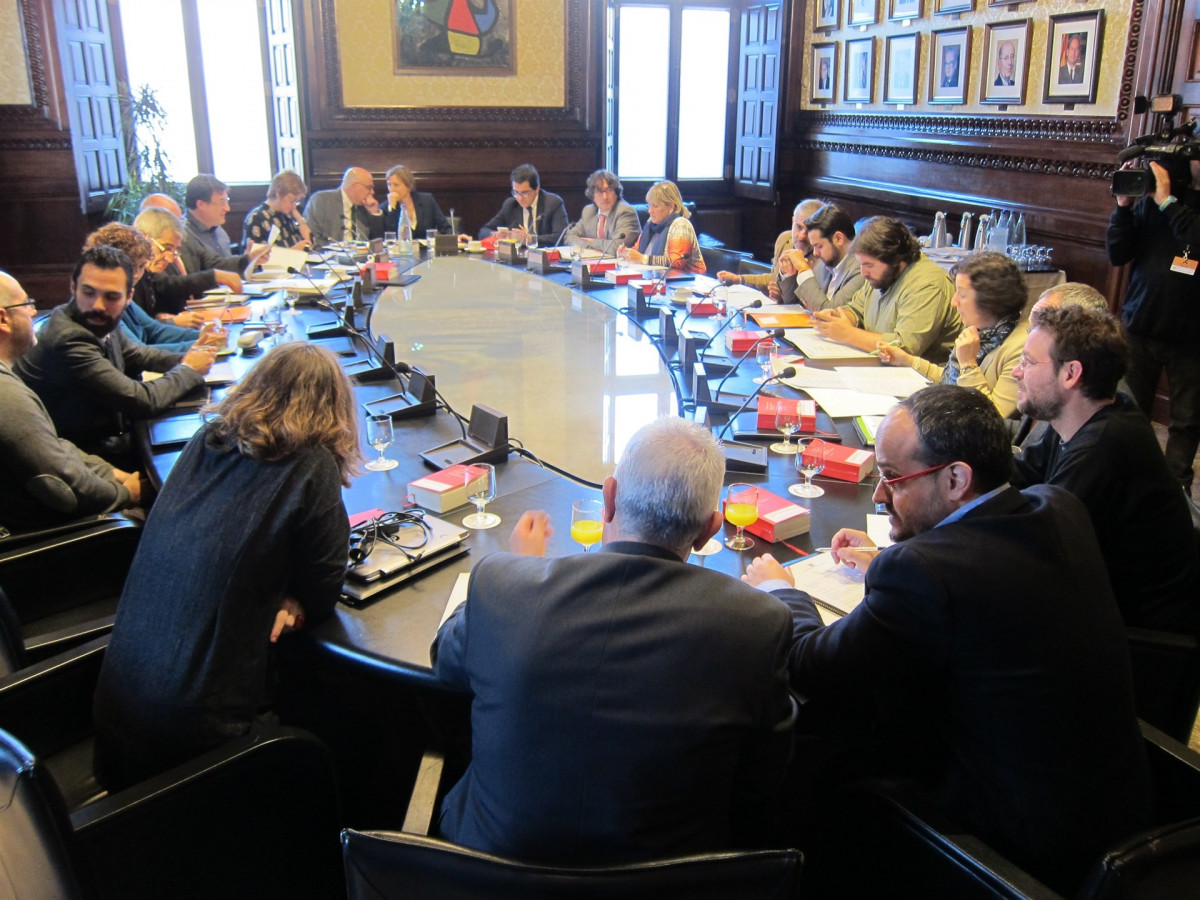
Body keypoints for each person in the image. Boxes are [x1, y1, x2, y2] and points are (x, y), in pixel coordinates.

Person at [743, 385, 1151, 895]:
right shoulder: (1058, 506)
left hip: (1013, 851)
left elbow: (811, 667)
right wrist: (895, 554)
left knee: (807, 757)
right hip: (1119, 817)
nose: (879, 495)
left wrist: (783, 592)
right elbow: (986, 575)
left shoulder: (925, 573)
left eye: (893, 478)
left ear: (956, 478)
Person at [432, 417, 795, 863]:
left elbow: (445, 659)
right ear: (710, 529)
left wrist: (520, 569)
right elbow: (765, 777)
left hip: (487, 879)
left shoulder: (503, 586)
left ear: (608, 498)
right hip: (671, 885)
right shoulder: (758, 625)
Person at [92, 342, 360, 790]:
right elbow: (323, 586)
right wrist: (291, 595)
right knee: (340, 714)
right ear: (335, 411)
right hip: (197, 752)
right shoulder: (312, 464)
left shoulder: (207, 439)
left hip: (120, 728)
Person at [1012, 304, 1198, 633]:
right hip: (1102, 603)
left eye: (1027, 362)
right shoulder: (1087, 414)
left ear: (1071, 373)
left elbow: (1039, 547)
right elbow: (1022, 472)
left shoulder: (1104, 447)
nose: (1016, 371)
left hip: (1139, 634)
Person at [13, 246, 215, 463]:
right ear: (73, 287)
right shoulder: (68, 339)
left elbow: (138, 355)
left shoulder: (98, 320)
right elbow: (141, 400)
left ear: (128, 297)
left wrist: (187, 358)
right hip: (86, 457)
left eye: (111, 296)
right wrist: (189, 369)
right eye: (88, 293)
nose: (98, 305)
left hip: (111, 438)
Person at [0, 269, 141, 533]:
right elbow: (62, 485)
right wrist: (127, 494)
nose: (33, 312)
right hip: (48, 542)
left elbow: (57, 447)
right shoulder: (5, 395)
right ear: (3, 319)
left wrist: (112, 474)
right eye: (26, 304)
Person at [1107, 157, 1200, 488]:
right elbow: (1118, 254)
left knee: (1187, 422)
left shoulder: (1167, 200)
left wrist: (1169, 203)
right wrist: (1123, 208)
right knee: (1130, 413)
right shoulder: (1154, 198)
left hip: (1193, 336)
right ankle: (1130, 485)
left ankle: (1177, 494)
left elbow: (1195, 243)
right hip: (1141, 325)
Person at [877, 252, 1028, 418]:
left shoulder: (1020, 348)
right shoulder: (980, 330)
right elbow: (951, 381)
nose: (954, 302)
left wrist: (968, 364)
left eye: (962, 295)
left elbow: (995, 418)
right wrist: (909, 361)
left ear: (991, 300)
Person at [813, 215, 959, 362]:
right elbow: (856, 309)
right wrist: (838, 318)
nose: (863, 273)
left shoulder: (927, 284)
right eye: (861, 264)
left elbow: (905, 348)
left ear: (895, 260)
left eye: (869, 265)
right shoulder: (880, 275)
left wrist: (847, 334)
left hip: (919, 373)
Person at [82, 223, 211, 357]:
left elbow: (154, 330)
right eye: (130, 266)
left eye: (141, 266)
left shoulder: (123, 292)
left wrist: (204, 335)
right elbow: (137, 352)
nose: (136, 274)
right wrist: (201, 344)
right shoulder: (99, 304)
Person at [1009, 281, 1110, 448]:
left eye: (1040, 328)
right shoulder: (1053, 379)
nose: (1030, 339)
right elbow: (1027, 436)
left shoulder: (1090, 428)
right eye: (1031, 329)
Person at [134, 205, 242, 310]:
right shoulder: (131, 275)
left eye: (174, 251)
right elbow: (167, 286)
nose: (170, 259)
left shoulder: (148, 273)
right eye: (166, 248)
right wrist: (166, 320)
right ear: (143, 237)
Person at [716, 199, 824, 301]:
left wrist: (783, 295)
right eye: (799, 227)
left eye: (810, 230)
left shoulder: (823, 255)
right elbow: (774, 278)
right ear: (792, 222)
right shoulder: (785, 240)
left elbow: (817, 300)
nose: (802, 236)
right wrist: (739, 279)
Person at [619, 181, 706, 275]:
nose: (650, 211)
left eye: (655, 206)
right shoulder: (651, 223)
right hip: (656, 277)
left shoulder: (681, 224)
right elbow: (637, 250)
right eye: (649, 205)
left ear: (671, 207)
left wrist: (642, 258)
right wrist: (627, 253)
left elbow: (676, 262)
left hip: (687, 280)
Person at [791, 203, 864, 311]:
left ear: (838, 238)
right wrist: (788, 273)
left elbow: (828, 312)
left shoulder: (860, 270)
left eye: (819, 246)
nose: (815, 253)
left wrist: (804, 270)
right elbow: (796, 303)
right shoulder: (826, 261)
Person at [179, 174, 257, 275]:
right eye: (222, 202)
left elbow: (225, 266)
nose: (227, 208)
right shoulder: (183, 235)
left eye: (226, 201)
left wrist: (246, 259)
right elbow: (202, 275)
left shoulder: (219, 230)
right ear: (201, 204)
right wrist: (245, 260)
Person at [479, 163, 568, 247]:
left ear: (537, 189)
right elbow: (483, 231)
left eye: (525, 193)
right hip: (519, 255)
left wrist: (531, 239)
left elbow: (561, 236)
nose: (520, 198)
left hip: (545, 255)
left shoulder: (553, 203)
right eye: (516, 192)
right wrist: (494, 235)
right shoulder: (511, 205)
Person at [304, 167, 386, 247]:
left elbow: (377, 242)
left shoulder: (365, 206)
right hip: (331, 254)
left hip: (362, 254)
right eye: (369, 188)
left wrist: (374, 213)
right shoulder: (321, 200)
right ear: (354, 186)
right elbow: (313, 237)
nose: (372, 192)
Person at [562, 169, 640, 250]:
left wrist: (590, 242)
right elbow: (569, 237)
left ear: (616, 193)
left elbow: (617, 248)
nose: (605, 197)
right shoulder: (588, 211)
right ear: (592, 195)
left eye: (609, 190)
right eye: (599, 192)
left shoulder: (625, 211)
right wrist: (591, 244)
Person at [242, 170, 312, 250]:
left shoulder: (287, 216)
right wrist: (293, 251)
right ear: (278, 193)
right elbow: (257, 255)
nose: (294, 206)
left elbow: (309, 243)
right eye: (292, 200)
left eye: (296, 202)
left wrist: (299, 218)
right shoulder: (257, 217)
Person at [382, 164, 453, 239]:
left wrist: (456, 237)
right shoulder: (384, 208)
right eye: (389, 185)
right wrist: (392, 208)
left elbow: (445, 228)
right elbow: (390, 236)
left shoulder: (427, 201)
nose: (391, 189)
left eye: (396, 185)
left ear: (409, 186)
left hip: (426, 246)